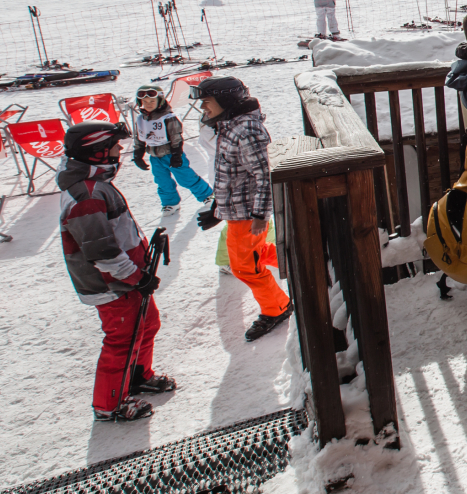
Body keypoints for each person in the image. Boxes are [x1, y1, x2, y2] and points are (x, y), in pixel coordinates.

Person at [59, 121, 176, 422]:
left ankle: (137, 376)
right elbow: (102, 251)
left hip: (126, 277)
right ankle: (109, 404)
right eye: (114, 147)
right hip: (112, 284)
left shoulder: (97, 186)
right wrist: (136, 277)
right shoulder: (87, 196)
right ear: (97, 153)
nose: (120, 152)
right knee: (122, 338)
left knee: (146, 324)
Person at [192, 77, 293, 343]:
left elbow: (264, 175)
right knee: (252, 257)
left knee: (245, 268)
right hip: (237, 210)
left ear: (226, 102)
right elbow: (231, 174)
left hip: (247, 214)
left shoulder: (246, 130)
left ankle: (278, 308)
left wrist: (260, 214)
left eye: (207, 102)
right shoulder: (230, 125)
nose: (203, 108)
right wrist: (218, 208)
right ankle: (294, 260)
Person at [131, 84, 212, 215]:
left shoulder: (168, 118)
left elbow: (176, 137)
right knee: (162, 181)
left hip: (171, 154)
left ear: (160, 101)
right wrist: (138, 154)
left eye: (152, 101)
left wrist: (177, 155)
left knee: (185, 178)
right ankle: (170, 203)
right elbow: (139, 136)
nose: (148, 104)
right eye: (145, 102)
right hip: (155, 157)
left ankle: (207, 195)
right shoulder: (141, 119)